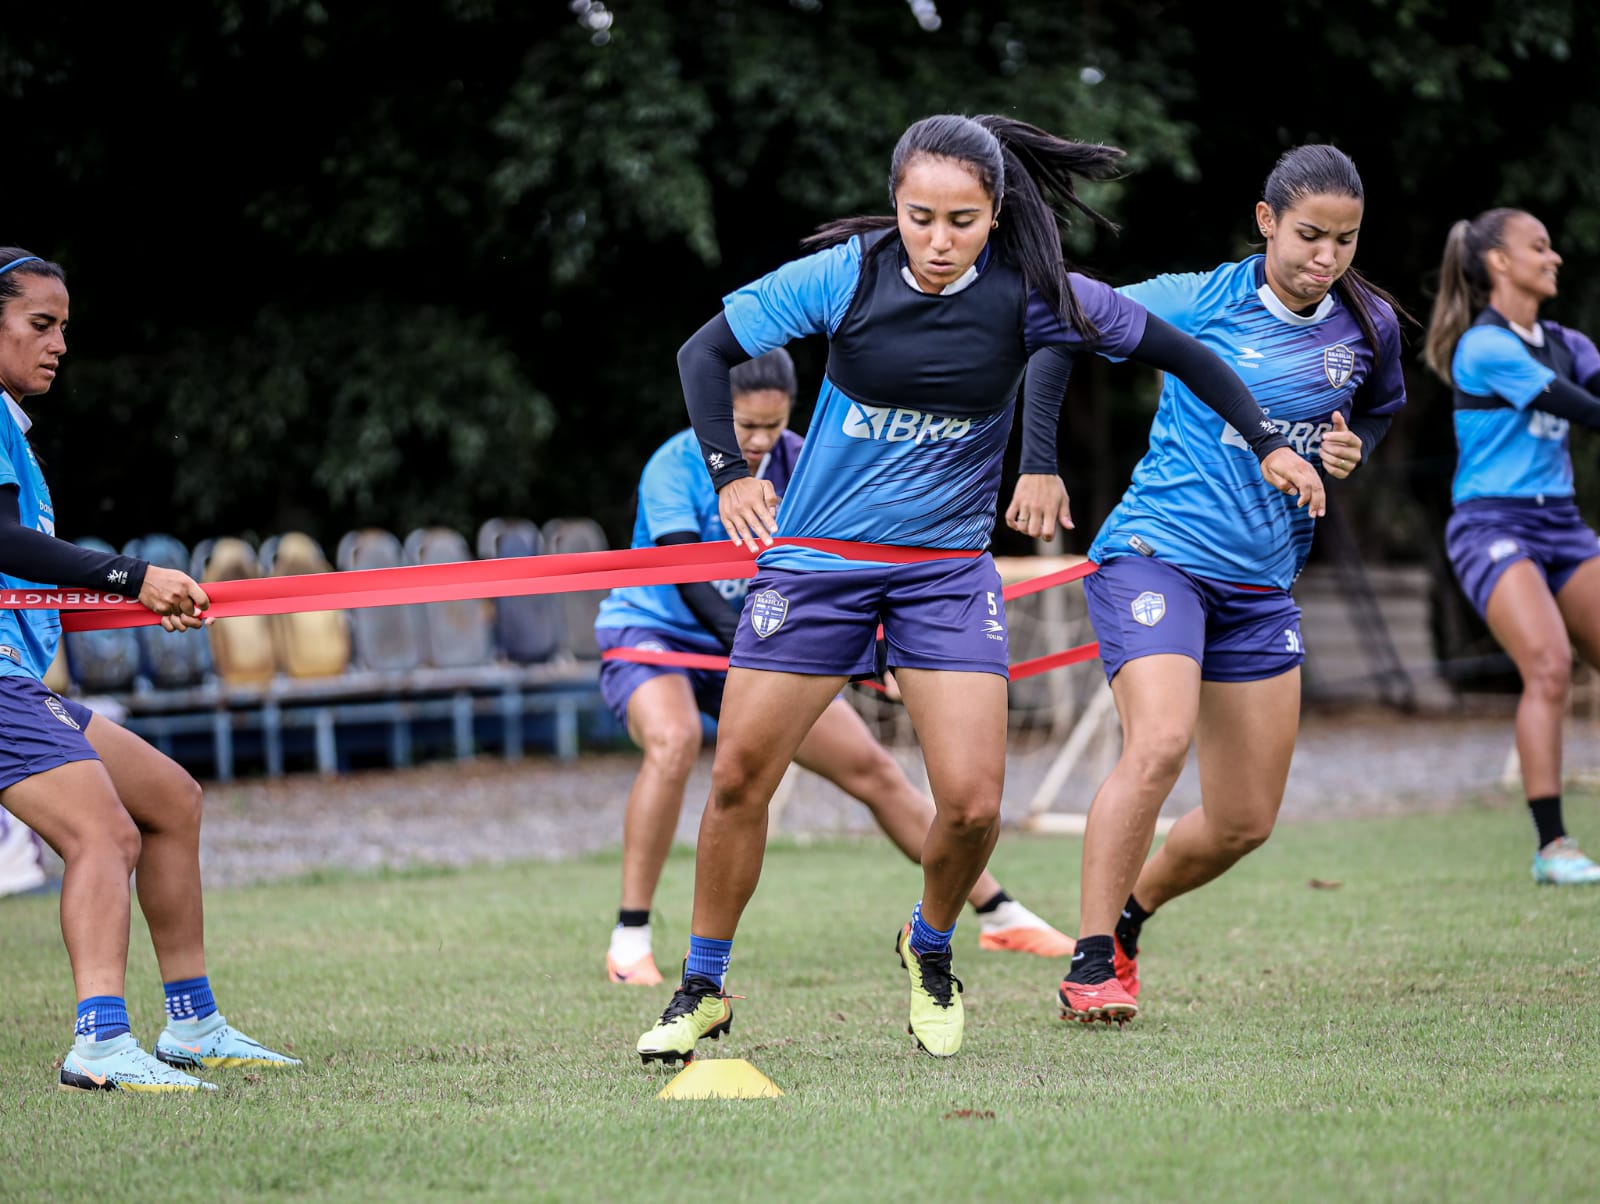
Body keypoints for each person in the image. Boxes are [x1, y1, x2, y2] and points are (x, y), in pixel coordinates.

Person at [634, 114, 1324, 1064]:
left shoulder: (1036, 297)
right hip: (820, 565)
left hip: (945, 578)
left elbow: (1189, 357)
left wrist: (1272, 441)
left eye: (961, 220)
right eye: (919, 217)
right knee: (742, 775)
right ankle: (703, 985)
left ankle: (930, 944)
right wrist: (730, 475)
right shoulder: (846, 275)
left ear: (995, 215)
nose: (937, 239)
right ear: (896, 208)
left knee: (970, 806)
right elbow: (700, 354)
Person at [1010, 144, 1408, 1025]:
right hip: (1158, 555)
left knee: (1243, 822)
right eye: (1309, 236)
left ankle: (1124, 924)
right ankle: (1087, 968)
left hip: (1262, 587)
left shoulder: (1366, 324)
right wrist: (1037, 463)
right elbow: (1053, 324)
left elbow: (1378, 408)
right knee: (1158, 745)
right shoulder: (1197, 299)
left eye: (1345, 240)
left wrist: (1354, 451)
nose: (1326, 259)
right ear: (1266, 222)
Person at [596, 348, 1075, 988]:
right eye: (746, 427)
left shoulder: (806, 457)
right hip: (660, 633)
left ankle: (998, 911)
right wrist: (791, 650)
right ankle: (630, 938)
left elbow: (845, 571)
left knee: (870, 766)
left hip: (761, 635)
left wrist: (874, 651)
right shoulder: (675, 464)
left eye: (773, 425)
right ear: (718, 413)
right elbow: (692, 582)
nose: (762, 442)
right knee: (674, 739)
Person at [0, 248, 301, 1091]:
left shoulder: (10, 427)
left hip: (16, 679)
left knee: (169, 800)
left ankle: (194, 1025)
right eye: (40, 325)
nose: (58, 343)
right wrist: (130, 575)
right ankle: (98, 1043)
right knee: (103, 834)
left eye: (64, 327)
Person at [1422, 209, 1600, 886]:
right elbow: (1584, 411)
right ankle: (1553, 847)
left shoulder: (1568, 341)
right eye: (1539, 247)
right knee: (1550, 665)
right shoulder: (1486, 347)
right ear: (1499, 261)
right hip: (1491, 526)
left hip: (1561, 523)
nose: (1553, 257)